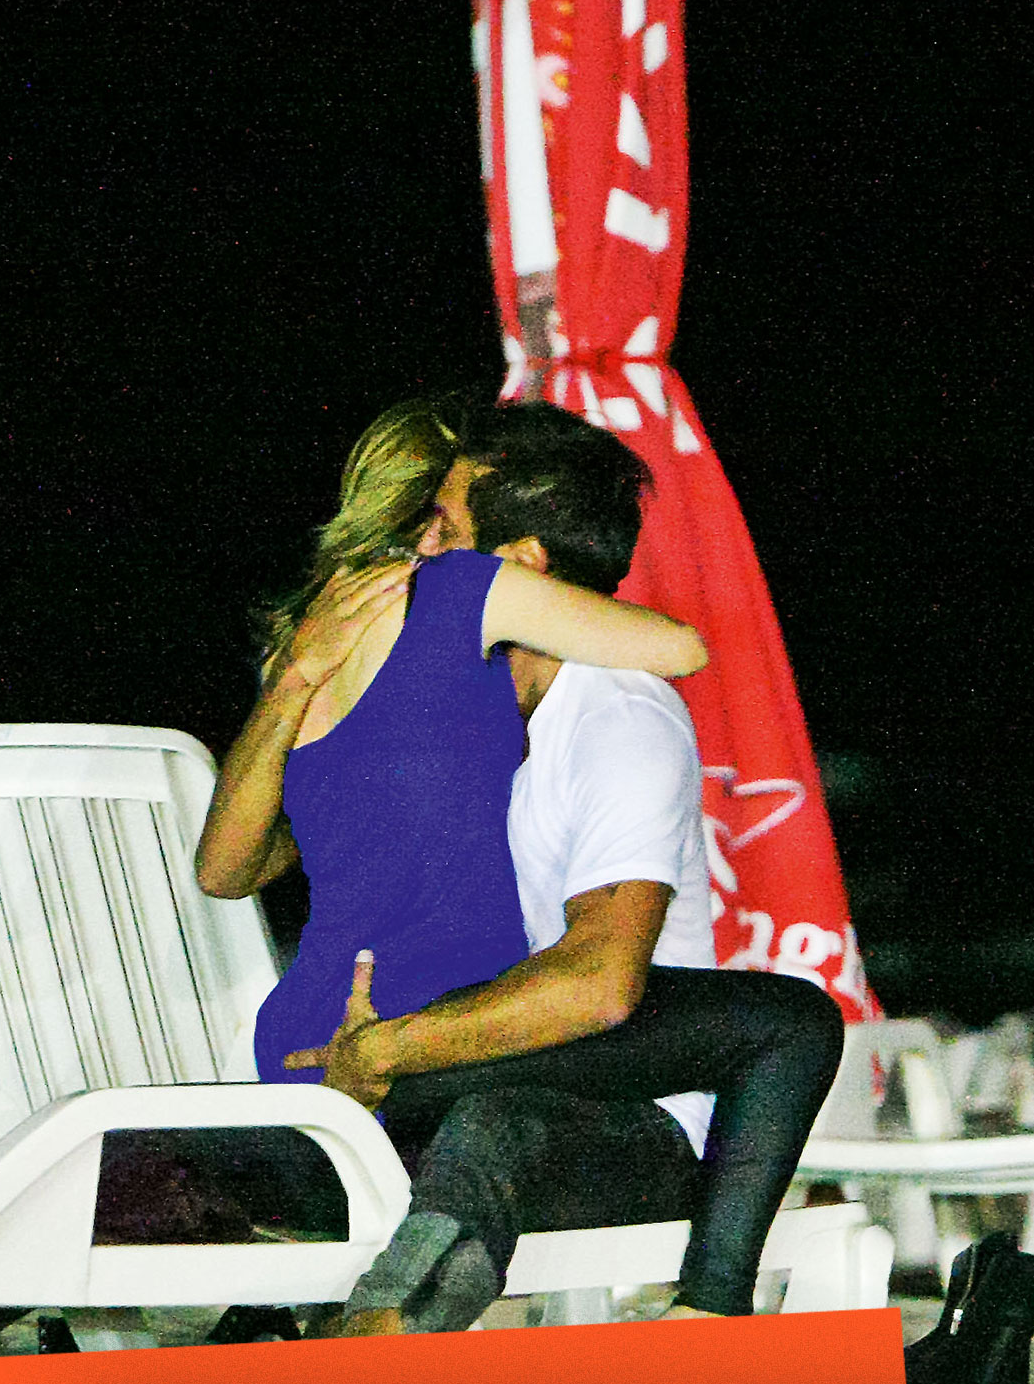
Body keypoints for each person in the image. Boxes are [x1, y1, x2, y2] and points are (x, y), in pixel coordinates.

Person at [282, 401, 846, 1333]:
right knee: (339, 1128)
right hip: (481, 1072)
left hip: (633, 1121)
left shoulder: (618, 719)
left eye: (444, 530)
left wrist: (384, 1051)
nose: (420, 549)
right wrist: (300, 684)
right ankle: (277, 1345)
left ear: (521, 567)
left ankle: (696, 1316)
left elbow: (600, 984)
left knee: (773, 1027)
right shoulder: (455, 711)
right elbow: (266, 859)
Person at [194, 401, 707, 1093]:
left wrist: (293, 674)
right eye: (436, 520)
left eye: (445, 523)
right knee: (781, 1022)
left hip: (302, 1035)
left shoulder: (313, 650)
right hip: (425, 1038)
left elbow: (223, 873)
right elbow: (684, 648)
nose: (433, 544)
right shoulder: (463, 590)